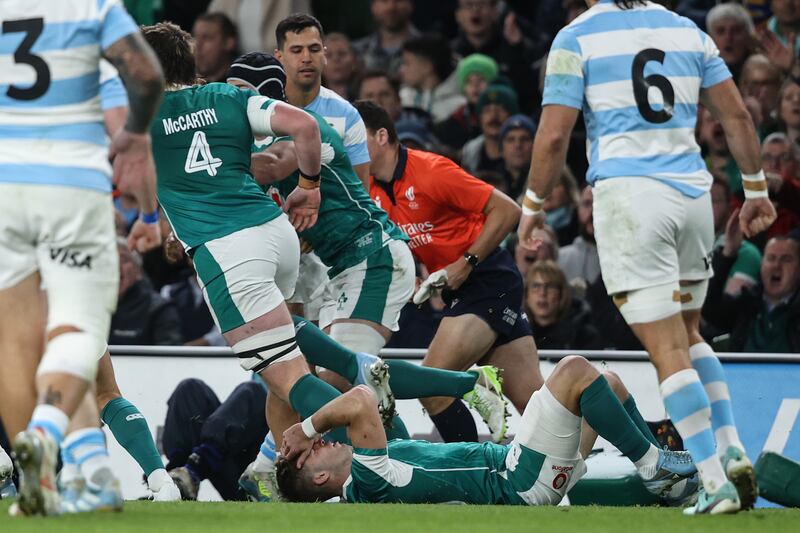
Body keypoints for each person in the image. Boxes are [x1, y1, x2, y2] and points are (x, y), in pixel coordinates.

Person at [517, 0, 777, 515]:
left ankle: (713, 479)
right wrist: (756, 190)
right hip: (692, 197)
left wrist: (533, 205)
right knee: (690, 332)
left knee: (666, 349)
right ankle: (731, 450)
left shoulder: (577, 36)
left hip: (632, 198)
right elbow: (737, 114)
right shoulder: (687, 30)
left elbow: (552, 136)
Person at [143, 20, 365, 512]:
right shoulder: (226, 96)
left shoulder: (141, 115)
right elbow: (304, 127)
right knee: (283, 362)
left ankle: (368, 446)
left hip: (230, 254)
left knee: (288, 377)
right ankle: (302, 469)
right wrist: (309, 186)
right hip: (277, 235)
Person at [0, 0, 165, 517]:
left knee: (17, 343)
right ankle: (48, 436)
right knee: (79, 334)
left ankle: (51, 477)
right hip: (70, 189)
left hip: (6, 191)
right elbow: (142, 75)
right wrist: (139, 152)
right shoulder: (88, 9)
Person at [358, 100, 544, 445]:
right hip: (465, 287)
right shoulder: (370, 189)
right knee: (540, 407)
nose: (348, 145)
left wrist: (465, 263)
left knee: (432, 388)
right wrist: (414, 276)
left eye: (355, 136)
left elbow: (507, 210)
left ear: (381, 136)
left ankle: (471, 467)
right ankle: (640, 438)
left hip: (487, 276)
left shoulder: (430, 170)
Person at [275, 355, 697, 504]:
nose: (320, 441)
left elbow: (372, 388)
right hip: (519, 479)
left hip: (522, 472)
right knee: (575, 371)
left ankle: (666, 483)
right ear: (321, 477)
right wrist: (306, 427)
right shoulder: (368, 477)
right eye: (313, 451)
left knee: (609, 382)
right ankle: (653, 466)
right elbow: (362, 399)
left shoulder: (376, 470)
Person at [275, 14, 372, 187]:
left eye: (314, 49)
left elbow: (360, 195)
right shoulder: (261, 110)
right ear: (279, 57)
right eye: (296, 50)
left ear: (324, 54)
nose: (306, 58)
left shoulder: (347, 115)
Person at [704, 230, 800, 353]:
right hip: (742, 372)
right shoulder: (745, 304)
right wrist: (727, 254)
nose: (776, 265)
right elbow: (710, 309)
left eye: (786, 259)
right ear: (762, 265)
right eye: (771, 258)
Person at [109, 238, 183, 346]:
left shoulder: (158, 308)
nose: (115, 266)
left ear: (137, 269)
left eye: (123, 259)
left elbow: (170, 355)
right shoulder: (84, 304)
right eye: (108, 260)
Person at [524, 261, 600, 350]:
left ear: (562, 293)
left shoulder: (585, 336)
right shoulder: (515, 336)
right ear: (526, 295)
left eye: (550, 286)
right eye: (536, 286)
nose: (542, 293)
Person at [435, 53, 499, 153]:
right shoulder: (454, 122)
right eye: (469, 81)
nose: (475, 86)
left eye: (481, 80)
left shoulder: (501, 118)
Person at [398, 34, 466, 124]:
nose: (401, 70)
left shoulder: (459, 106)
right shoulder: (402, 99)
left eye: (407, 63)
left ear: (427, 67)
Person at [461, 84, 519, 174]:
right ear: (480, 118)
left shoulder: (521, 154)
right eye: (487, 110)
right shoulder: (469, 153)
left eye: (501, 109)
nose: (494, 116)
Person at [353, 0, 420, 73]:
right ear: (373, 7)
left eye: (398, 1)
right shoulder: (355, 52)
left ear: (410, 5)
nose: (391, 7)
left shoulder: (428, 48)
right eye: (384, 1)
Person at [559, 184, 600, 287]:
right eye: (587, 204)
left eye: (599, 205)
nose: (592, 212)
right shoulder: (560, 258)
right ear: (578, 209)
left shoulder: (624, 259)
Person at [705, 3, 754, 81]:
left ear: (748, 37)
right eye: (721, 31)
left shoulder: (761, 74)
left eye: (736, 31)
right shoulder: (698, 77)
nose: (728, 37)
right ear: (710, 38)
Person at [193, 12, 239, 84]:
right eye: (195, 37)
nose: (197, 45)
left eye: (206, 38)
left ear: (228, 43)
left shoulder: (241, 87)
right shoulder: (185, 85)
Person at [498, 114, 535, 199]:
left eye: (525, 139)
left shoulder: (545, 179)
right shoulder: (490, 180)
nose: (518, 145)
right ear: (501, 148)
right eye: (510, 140)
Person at [323, 33, 360, 100]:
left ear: (354, 61)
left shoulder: (366, 94)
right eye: (329, 55)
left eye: (342, 54)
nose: (336, 59)